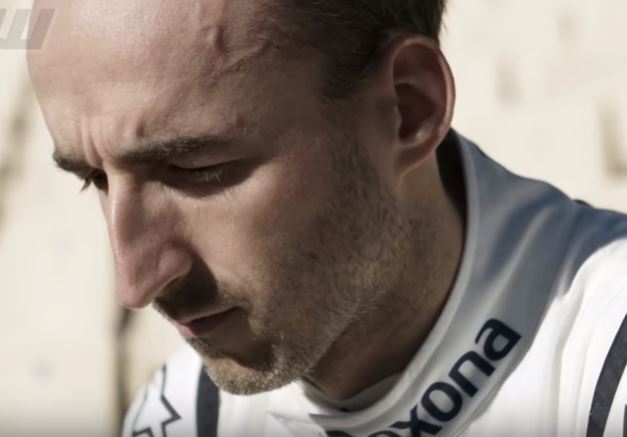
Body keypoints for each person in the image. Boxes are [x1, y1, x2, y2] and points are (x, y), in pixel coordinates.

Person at [27, 0, 627, 436]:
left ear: (408, 109)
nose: (135, 282)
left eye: (196, 167)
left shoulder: (602, 364)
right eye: (94, 178)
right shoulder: (181, 416)